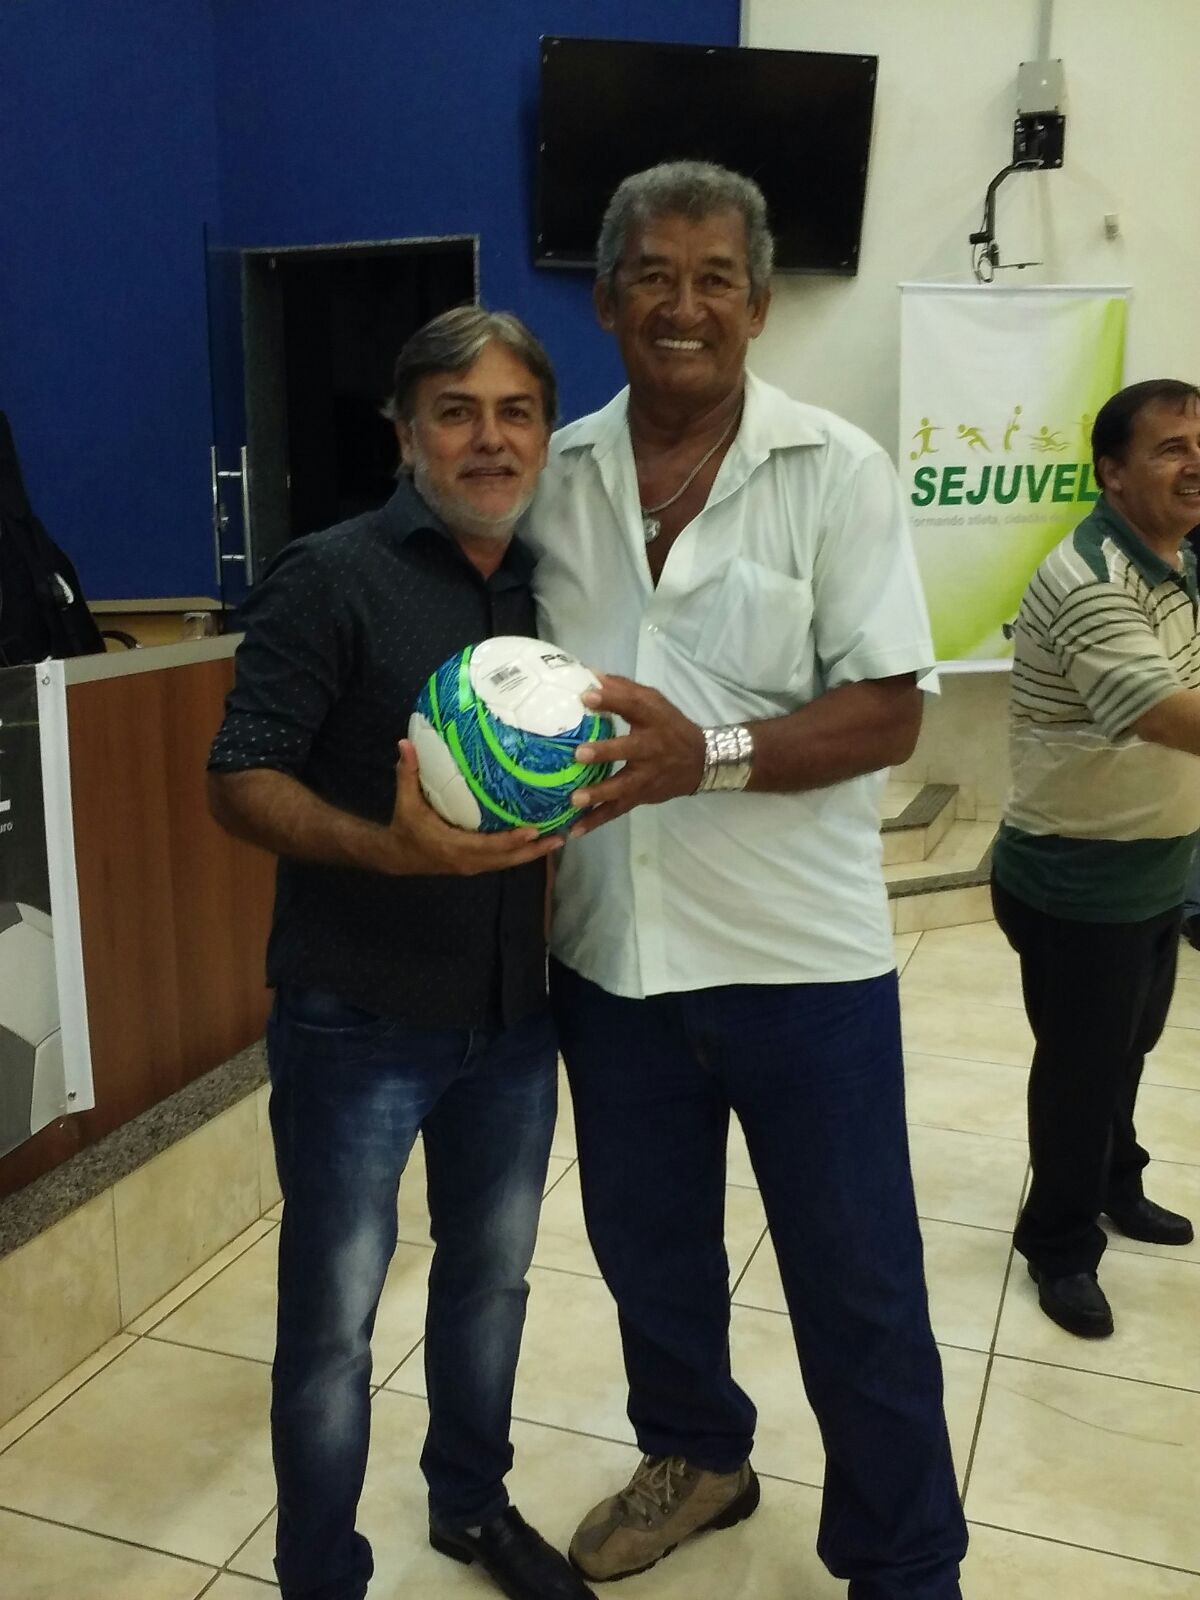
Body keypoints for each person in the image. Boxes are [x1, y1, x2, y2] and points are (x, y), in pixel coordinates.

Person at [523, 162, 967, 1599]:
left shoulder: (836, 471)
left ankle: (906, 1564)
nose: (685, 304)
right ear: (606, 300)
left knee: (859, 1287)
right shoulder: (552, 480)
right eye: (653, 274)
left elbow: (888, 714)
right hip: (614, 962)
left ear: (762, 306)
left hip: (802, 971)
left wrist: (702, 754)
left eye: (716, 277)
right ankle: (699, 1457)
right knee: (649, 1257)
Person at [207, 306, 592, 1600]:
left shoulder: (548, 590)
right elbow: (239, 775)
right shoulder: (328, 576)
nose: (490, 439)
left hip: (512, 1015)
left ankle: (471, 1506)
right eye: (455, 411)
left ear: (545, 433)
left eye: (515, 411)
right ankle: (320, 1574)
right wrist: (390, 848)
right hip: (355, 1019)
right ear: (406, 433)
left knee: (491, 1284)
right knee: (331, 1328)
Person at [992, 378, 1200, 1340]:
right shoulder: (1089, 580)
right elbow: (1165, 715)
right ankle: (1059, 1244)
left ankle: (1118, 1182)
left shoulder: (1180, 561)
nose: (1194, 464)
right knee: (1080, 1071)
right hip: (1076, 882)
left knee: (1130, 1047)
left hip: (1154, 868)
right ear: (1113, 474)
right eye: (1171, 449)